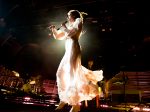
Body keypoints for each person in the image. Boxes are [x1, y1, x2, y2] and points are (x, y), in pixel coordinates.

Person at [50, 10, 103, 112]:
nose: (67, 18)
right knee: (60, 74)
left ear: (73, 16)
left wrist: (64, 27)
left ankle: (75, 105)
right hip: (68, 51)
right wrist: (53, 30)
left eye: (68, 15)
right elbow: (58, 36)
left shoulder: (78, 21)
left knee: (72, 75)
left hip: (74, 50)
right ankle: (64, 99)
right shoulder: (70, 26)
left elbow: (72, 35)